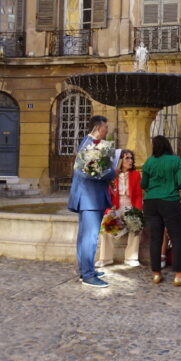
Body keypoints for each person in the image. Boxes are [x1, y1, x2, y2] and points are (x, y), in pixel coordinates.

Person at [141, 135, 181, 287]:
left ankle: (156, 274)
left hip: (150, 202)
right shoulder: (176, 161)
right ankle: (179, 275)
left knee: (155, 238)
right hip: (170, 201)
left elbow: (143, 183)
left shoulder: (149, 161)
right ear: (168, 146)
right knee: (177, 237)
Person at [68, 115, 117, 288]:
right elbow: (86, 172)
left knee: (85, 237)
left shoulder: (87, 143)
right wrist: (112, 172)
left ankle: (86, 270)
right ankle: (88, 275)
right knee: (89, 238)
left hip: (90, 197)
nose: (106, 131)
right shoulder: (89, 145)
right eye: (105, 128)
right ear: (97, 128)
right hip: (90, 198)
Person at [97, 149, 143, 268]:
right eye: (127, 158)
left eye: (131, 158)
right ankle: (105, 258)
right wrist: (108, 210)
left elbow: (138, 195)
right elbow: (107, 195)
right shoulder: (112, 176)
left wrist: (137, 211)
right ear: (120, 161)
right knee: (105, 225)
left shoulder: (136, 175)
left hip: (130, 207)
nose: (130, 161)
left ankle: (131, 258)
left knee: (136, 225)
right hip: (116, 207)